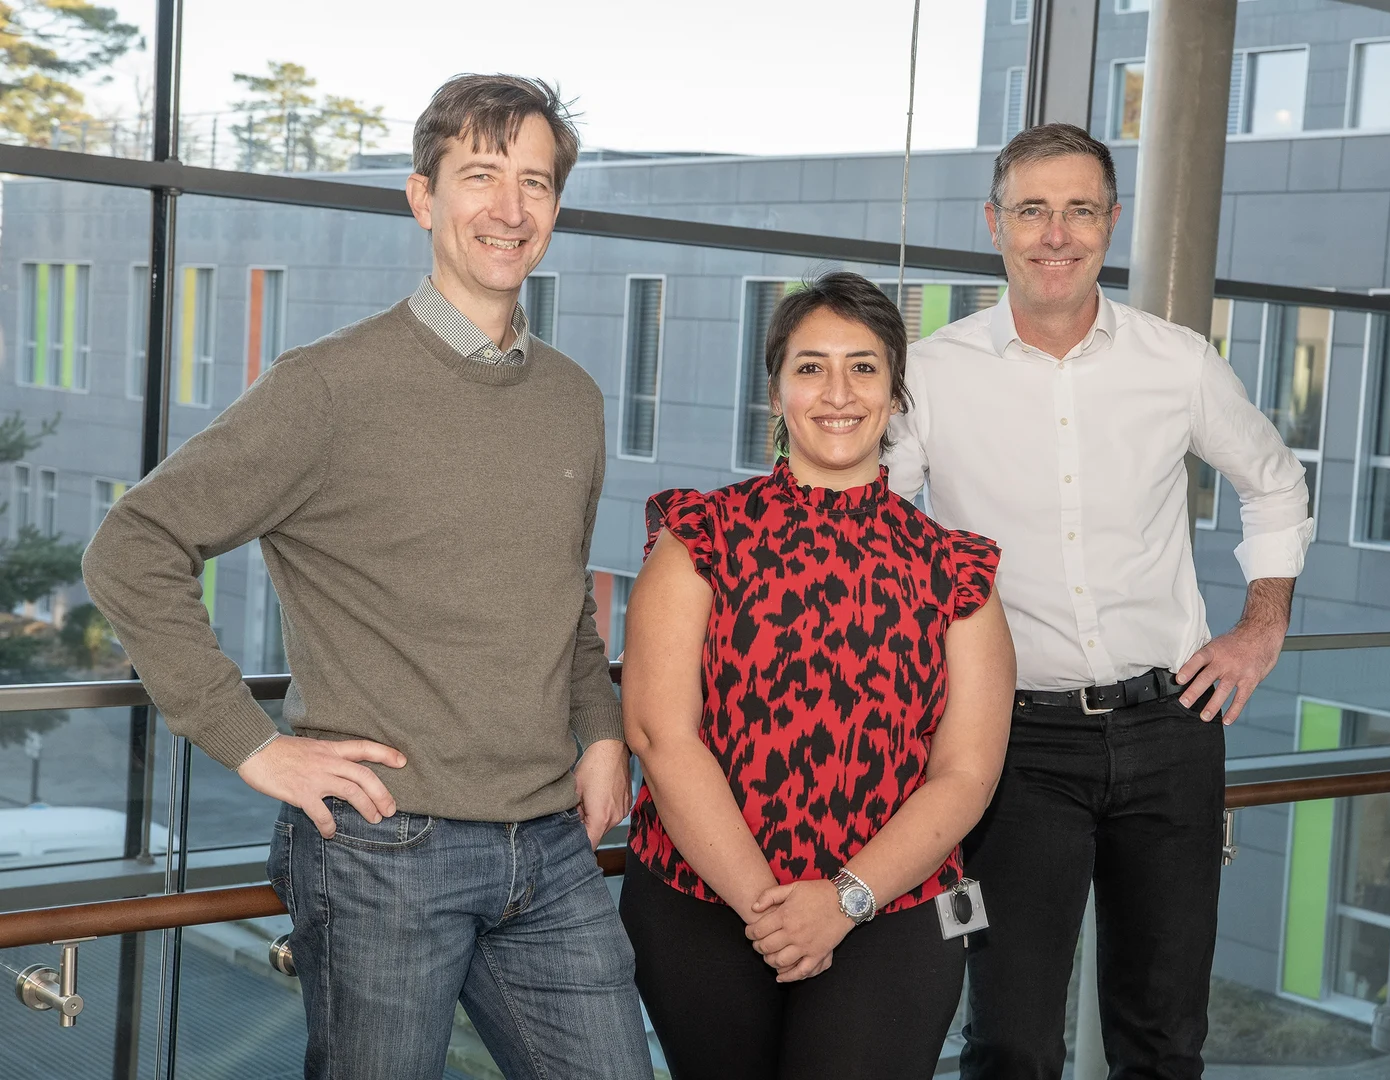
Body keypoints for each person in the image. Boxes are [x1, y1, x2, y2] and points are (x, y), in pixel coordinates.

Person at [81, 75, 653, 1080]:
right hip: (387, 851)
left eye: (534, 182)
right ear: (422, 198)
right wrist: (252, 746)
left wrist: (601, 734)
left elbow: (561, 603)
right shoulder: (329, 387)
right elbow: (132, 547)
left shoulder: (573, 398)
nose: (510, 209)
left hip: (552, 846)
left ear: (556, 208)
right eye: (480, 176)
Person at [885, 123, 1313, 1080]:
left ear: (1111, 225)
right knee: (1010, 1040)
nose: (1056, 233)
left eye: (1080, 210)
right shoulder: (935, 375)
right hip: (1013, 749)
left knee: (1164, 1041)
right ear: (994, 224)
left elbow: (1277, 483)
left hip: (1172, 730)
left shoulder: (1178, 362)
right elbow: (872, 526)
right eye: (1032, 210)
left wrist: (1261, 624)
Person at [618, 271, 1016, 1080]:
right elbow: (661, 734)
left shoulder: (956, 569)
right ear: (776, 391)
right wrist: (772, 911)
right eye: (810, 366)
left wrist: (840, 902)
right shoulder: (700, 536)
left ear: (896, 394)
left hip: (894, 911)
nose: (838, 391)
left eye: (864, 366)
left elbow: (968, 774)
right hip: (702, 902)